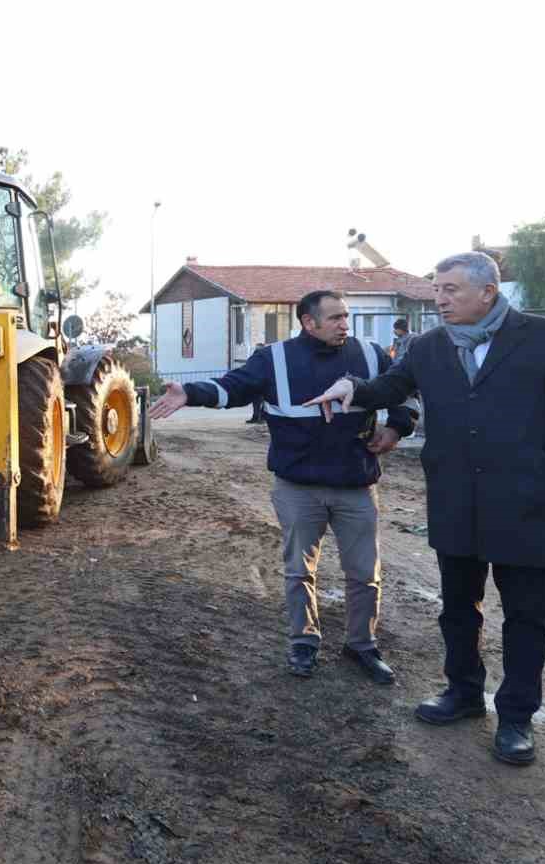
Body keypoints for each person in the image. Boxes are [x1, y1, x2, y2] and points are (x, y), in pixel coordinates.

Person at [306, 253, 545, 767]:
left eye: (451, 290)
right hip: (457, 499)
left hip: (526, 504)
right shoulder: (429, 345)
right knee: (458, 609)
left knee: (526, 617)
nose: (439, 299)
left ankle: (516, 717)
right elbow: (392, 386)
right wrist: (353, 390)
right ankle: (462, 693)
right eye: (437, 289)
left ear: (488, 292)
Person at [150, 291, 416, 683]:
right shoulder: (273, 359)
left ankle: (362, 645)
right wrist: (191, 392)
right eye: (335, 318)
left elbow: (403, 394)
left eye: (346, 316)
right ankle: (304, 642)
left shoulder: (372, 354)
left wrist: (396, 428)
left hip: (355, 486)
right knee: (299, 571)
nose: (345, 324)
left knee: (364, 573)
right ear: (309, 323)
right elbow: (233, 388)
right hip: (298, 488)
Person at [244, 342, 267, 423]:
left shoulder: (260, 357)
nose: (257, 350)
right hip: (258, 384)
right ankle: (258, 417)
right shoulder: (263, 357)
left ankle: (258, 417)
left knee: (259, 403)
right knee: (259, 403)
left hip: (260, 384)